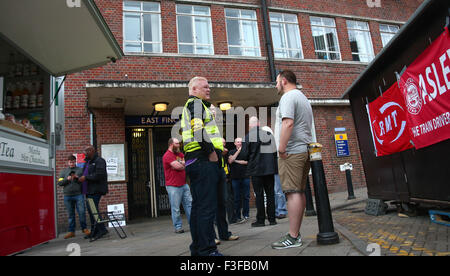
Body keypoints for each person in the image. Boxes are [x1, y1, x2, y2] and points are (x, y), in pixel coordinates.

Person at [181, 76, 225, 256]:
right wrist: (211, 152)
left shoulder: (195, 106)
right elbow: (198, 131)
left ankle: (198, 249)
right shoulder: (196, 104)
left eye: (209, 87)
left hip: (195, 162)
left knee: (199, 208)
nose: (209, 89)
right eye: (204, 87)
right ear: (193, 90)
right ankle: (208, 250)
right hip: (204, 161)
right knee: (206, 208)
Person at [271, 70, 313, 250]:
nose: (276, 85)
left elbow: (288, 123)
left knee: (292, 193)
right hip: (303, 149)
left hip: (291, 152)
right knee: (298, 191)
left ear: (284, 80)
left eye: (277, 81)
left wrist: (281, 147)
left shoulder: (288, 97)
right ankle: (295, 233)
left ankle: (293, 236)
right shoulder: (302, 97)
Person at [241, 116, 278, 227]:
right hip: (269, 169)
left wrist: (250, 158)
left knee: (259, 194)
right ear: (259, 124)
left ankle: (260, 220)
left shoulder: (248, 137)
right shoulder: (268, 135)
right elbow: (274, 152)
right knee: (270, 194)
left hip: (256, 169)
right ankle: (272, 219)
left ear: (250, 125)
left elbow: (244, 154)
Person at [79, 145, 109, 241]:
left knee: (93, 210)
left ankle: (101, 230)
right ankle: (95, 230)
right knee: (91, 210)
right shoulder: (88, 162)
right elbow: (84, 174)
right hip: (88, 190)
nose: (84, 153)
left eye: (86, 151)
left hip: (96, 190)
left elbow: (99, 175)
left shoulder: (100, 161)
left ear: (91, 151)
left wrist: (86, 178)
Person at [162, 137, 192, 234]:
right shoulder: (167, 155)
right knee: (176, 208)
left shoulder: (180, 154)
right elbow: (178, 166)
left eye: (179, 143)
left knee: (190, 205)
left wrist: (182, 164)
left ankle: (193, 224)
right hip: (173, 186)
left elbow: (186, 163)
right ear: (171, 144)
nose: (179, 145)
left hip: (184, 184)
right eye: (177, 143)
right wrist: (182, 164)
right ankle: (178, 227)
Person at [58, 155, 90, 239]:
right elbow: (60, 183)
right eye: (70, 162)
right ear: (68, 162)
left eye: (73, 162)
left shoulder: (80, 170)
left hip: (78, 194)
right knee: (70, 214)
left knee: (82, 212)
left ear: (75, 161)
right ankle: (71, 231)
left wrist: (77, 178)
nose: (72, 163)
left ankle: (84, 228)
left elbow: (84, 181)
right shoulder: (64, 171)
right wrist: (67, 179)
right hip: (67, 196)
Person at [262, 126, 287, 220]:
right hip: (268, 171)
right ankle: (275, 211)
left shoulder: (276, 143)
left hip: (276, 169)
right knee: (272, 192)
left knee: (278, 191)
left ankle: (281, 211)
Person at [228, 137, 250, 224]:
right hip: (235, 178)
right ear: (234, 143)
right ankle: (237, 215)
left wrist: (235, 161)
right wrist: (238, 152)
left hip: (245, 177)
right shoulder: (231, 152)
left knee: (246, 197)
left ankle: (246, 214)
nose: (239, 143)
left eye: (241, 142)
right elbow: (230, 161)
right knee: (236, 198)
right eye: (238, 142)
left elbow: (247, 162)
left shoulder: (246, 151)